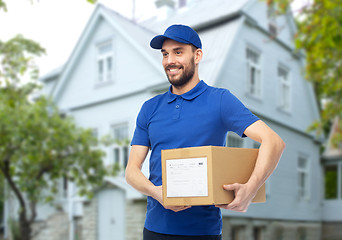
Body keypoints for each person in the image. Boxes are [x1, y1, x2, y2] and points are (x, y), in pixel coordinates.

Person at [125, 24, 285, 240]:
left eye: (178, 52)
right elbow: (131, 172)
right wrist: (157, 193)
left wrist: (251, 188)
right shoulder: (150, 108)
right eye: (165, 54)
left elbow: (273, 141)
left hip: (203, 232)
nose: (169, 60)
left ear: (197, 55)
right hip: (155, 230)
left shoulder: (220, 100)